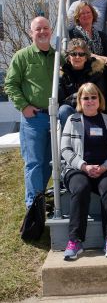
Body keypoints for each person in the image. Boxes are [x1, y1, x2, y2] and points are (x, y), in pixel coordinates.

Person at [61, 83, 107, 260]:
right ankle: (75, 240)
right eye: (85, 97)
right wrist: (84, 166)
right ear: (80, 100)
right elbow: (65, 149)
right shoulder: (73, 120)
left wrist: (104, 167)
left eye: (93, 97)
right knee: (80, 188)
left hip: (103, 169)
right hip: (77, 169)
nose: (89, 101)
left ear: (99, 99)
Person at [4, 17, 56, 209]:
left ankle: (39, 198)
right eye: (38, 29)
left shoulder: (57, 56)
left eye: (45, 28)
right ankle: (32, 207)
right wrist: (23, 106)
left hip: (55, 118)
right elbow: (10, 84)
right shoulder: (22, 56)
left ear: (51, 31)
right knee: (34, 162)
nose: (42, 32)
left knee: (50, 163)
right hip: (33, 119)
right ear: (30, 32)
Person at [58, 38, 107, 128]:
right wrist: (80, 97)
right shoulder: (63, 74)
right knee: (63, 110)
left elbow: (99, 97)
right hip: (73, 113)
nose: (77, 57)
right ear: (69, 57)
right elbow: (62, 101)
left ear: (86, 57)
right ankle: (69, 139)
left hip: (93, 110)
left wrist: (77, 97)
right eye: (74, 54)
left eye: (81, 54)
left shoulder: (96, 72)